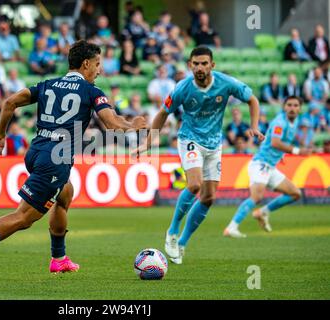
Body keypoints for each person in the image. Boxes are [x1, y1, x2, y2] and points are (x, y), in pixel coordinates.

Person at [0, 40, 147, 280]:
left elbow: (9, 102)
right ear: (86, 64)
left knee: (65, 194)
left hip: (37, 151)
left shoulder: (48, 84)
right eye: (97, 64)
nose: (100, 69)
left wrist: (0, 134)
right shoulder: (91, 91)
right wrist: (133, 124)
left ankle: (59, 259)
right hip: (55, 159)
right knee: (24, 217)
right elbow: (113, 123)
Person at [133, 46, 264, 264]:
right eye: (196, 63)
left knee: (209, 197)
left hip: (214, 145)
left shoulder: (226, 83)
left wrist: (254, 125)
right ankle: (173, 231)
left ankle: (182, 242)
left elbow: (253, 100)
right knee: (194, 185)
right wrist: (148, 142)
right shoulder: (182, 88)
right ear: (189, 65)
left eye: (204, 63)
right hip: (190, 140)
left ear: (212, 65)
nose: (200, 67)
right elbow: (162, 113)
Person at [224, 96, 311, 238]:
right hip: (261, 164)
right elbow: (276, 143)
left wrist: (281, 156)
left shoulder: (294, 122)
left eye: (296, 105)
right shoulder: (280, 122)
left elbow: (275, 143)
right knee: (256, 197)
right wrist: (297, 151)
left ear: (300, 108)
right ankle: (231, 227)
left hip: (270, 167)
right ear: (284, 107)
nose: (292, 108)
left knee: (295, 193)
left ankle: (263, 211)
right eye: (289, 105)